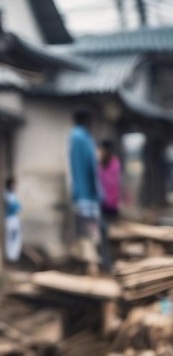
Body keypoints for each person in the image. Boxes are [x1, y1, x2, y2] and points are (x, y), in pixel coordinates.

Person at [69, 107, 102, 272]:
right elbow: (92, 166)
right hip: (88, 195)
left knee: (82, 232)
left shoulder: (74, 137)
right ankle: (91, 266)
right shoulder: (84, 138)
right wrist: (98, 192)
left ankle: (85, 264)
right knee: (90, 232)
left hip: (80, 194)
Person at [97, 139, 121, 271]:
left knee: (111, 236)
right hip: (101, 204)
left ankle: (111, 262)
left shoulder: (114, 163)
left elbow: (115, 184)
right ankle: (106, 262)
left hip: (111, 205)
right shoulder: (100, 165)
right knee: (103, 234)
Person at [3, 176, 22, 263]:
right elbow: (12, 207)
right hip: (9, 218)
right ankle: (10, 257)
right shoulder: (6, 196)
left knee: (16, 239)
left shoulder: (14, 195)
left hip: (15, 219)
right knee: (9, 239)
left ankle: (14, 257)